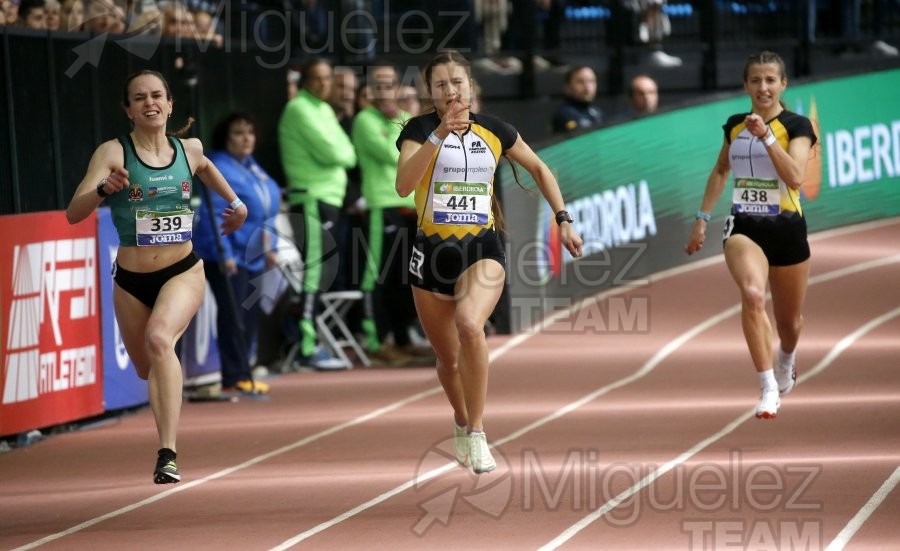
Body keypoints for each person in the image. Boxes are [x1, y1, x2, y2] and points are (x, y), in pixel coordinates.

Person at [396, 51, 583, 474]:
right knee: (447, 361)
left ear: (471, 87)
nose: (450, 91)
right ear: (430, 92)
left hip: (482, 248)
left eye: (457, 83)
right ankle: (461, 421)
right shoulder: (418, 129)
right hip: (431, 256)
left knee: (469, 325)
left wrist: (564, 220)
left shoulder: (496, 130)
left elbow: (538, 167)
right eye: (440, 85)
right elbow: (405, 185)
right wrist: (437, 137)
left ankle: (478, 432)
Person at [65, 70, 247, 483]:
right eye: (140, 97)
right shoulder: (113, 153)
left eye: (157, 96)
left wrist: (236, 204)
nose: (150, 103)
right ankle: (165, 414)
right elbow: (73, 212)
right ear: (128, 109)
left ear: (169, 105)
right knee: (148, 368)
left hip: (182, 271)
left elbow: (205, 168)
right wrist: (103, 190)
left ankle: (168, 453)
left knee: (160, 338)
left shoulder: (190, 148)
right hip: (130, 281)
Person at [685, 51, 816, 420]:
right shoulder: (734, 125)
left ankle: (786, 360)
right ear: (746, 85)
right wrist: (702, 218)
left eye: (770, 80)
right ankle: (767, 388)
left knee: (790, 323)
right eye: (756, 80)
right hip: (745, 227)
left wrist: (768, 139)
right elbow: (721, 170)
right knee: (753, 295)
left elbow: (795, 178)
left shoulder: (797, 125)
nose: (763, 87)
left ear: (782, 84)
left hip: (788, 229)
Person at [193, 112, 281, 395]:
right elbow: (212, 213)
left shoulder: (253, 167)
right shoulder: (219, 167)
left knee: (249, 316)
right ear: (225, 138)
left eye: (250, 132)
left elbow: (268, 210)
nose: (246, 139)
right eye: (238, 133)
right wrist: (225, 252)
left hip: (255, 254)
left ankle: (244, 370)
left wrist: (273, 246)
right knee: (234, 316)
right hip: (229, 255)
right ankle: (233, 374)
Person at [278, 56, 357, 370]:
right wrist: (340, 154)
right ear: (306, 81)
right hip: (311, 198)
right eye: (318, 78)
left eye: (328, 78)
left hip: (330, 199)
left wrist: (341, 154)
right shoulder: (298, 108)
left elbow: (349, 154)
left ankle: (310, 343)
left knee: (322, 272)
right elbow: (334, 152)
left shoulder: (324, 109)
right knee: (314, 272)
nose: (325, 84)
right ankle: (306, 348)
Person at [352, 70, 432, 366]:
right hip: (381, 205)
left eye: (390, 87)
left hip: (411, 206)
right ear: (371, 93)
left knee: (405, 277)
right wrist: (397, 133)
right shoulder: (364, 120)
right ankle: (374, 341)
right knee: (376, 274)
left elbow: (421, 156)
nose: (385, 93)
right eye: (378, 88)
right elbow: (396, 155)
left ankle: (402, 338)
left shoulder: (404, 118)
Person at [551, 65, 603, 134]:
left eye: (591, 81)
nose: (587, 88)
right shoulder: (564, 115)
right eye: (580, 82)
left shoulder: (597, 113)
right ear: (568, 87)